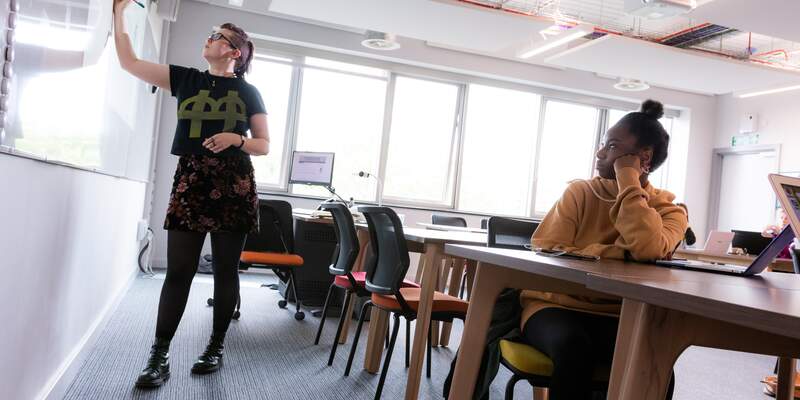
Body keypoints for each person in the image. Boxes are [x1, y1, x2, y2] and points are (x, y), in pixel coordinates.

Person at [112, 0, 269, 388]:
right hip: (192, 180)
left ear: (234, 52)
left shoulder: (249, 92)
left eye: (217, 36)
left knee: (224, 270)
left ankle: (215, 346)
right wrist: (118, 15)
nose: (209, 38)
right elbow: (130, 63)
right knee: (179, 271)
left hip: (235, 184)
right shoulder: (185, 79)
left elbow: (264, 145)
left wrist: (237, 138)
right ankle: (159, 355)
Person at [523, 99, 687, 399]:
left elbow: (646, 247)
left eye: (611, 146)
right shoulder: (580, 192)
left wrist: (628, 177)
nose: (599, 153)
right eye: (603, 144)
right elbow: (548, 248)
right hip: (555, 305)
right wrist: (623, 254)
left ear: (643, 157)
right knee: (574, 348)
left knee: (657, 365)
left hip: (620, 313)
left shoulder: (670, 211)